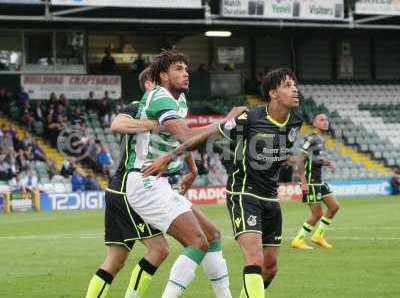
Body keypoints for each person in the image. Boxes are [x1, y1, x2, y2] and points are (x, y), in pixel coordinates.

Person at [142, 68, 303, 298]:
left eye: (294, 84)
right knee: (254, 259)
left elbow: (275, 151)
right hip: (244, 194)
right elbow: (207, 136)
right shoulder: (250, 118)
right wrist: (170, 156)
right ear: (273, 93)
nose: (295, 89)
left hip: (271, 197)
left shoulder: (296, 120)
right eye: (287, 85)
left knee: (270, 268)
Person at [85, 61, 239, 298]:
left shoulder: (174, 104)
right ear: (152, 83)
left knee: (119, 259)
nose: (185, 74)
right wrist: (154, 125)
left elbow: (181, 138)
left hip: (146, 181)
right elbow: (117, 124)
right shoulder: (140, 105)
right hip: (133, 182)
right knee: (159, 249)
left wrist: (192, 167)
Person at [291, 113, 340, 249]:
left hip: (319, 180)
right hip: (310, 181)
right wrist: (303, 182)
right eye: (321, 119)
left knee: (334, 207)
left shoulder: (321, 139)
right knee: (317, 213)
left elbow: (315, 160)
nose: (325, 122)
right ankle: (298, 240)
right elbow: (300, 159)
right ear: (314, 123)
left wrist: (328, 163)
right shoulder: (311, 138)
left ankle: (318, 236)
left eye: (326, 119)